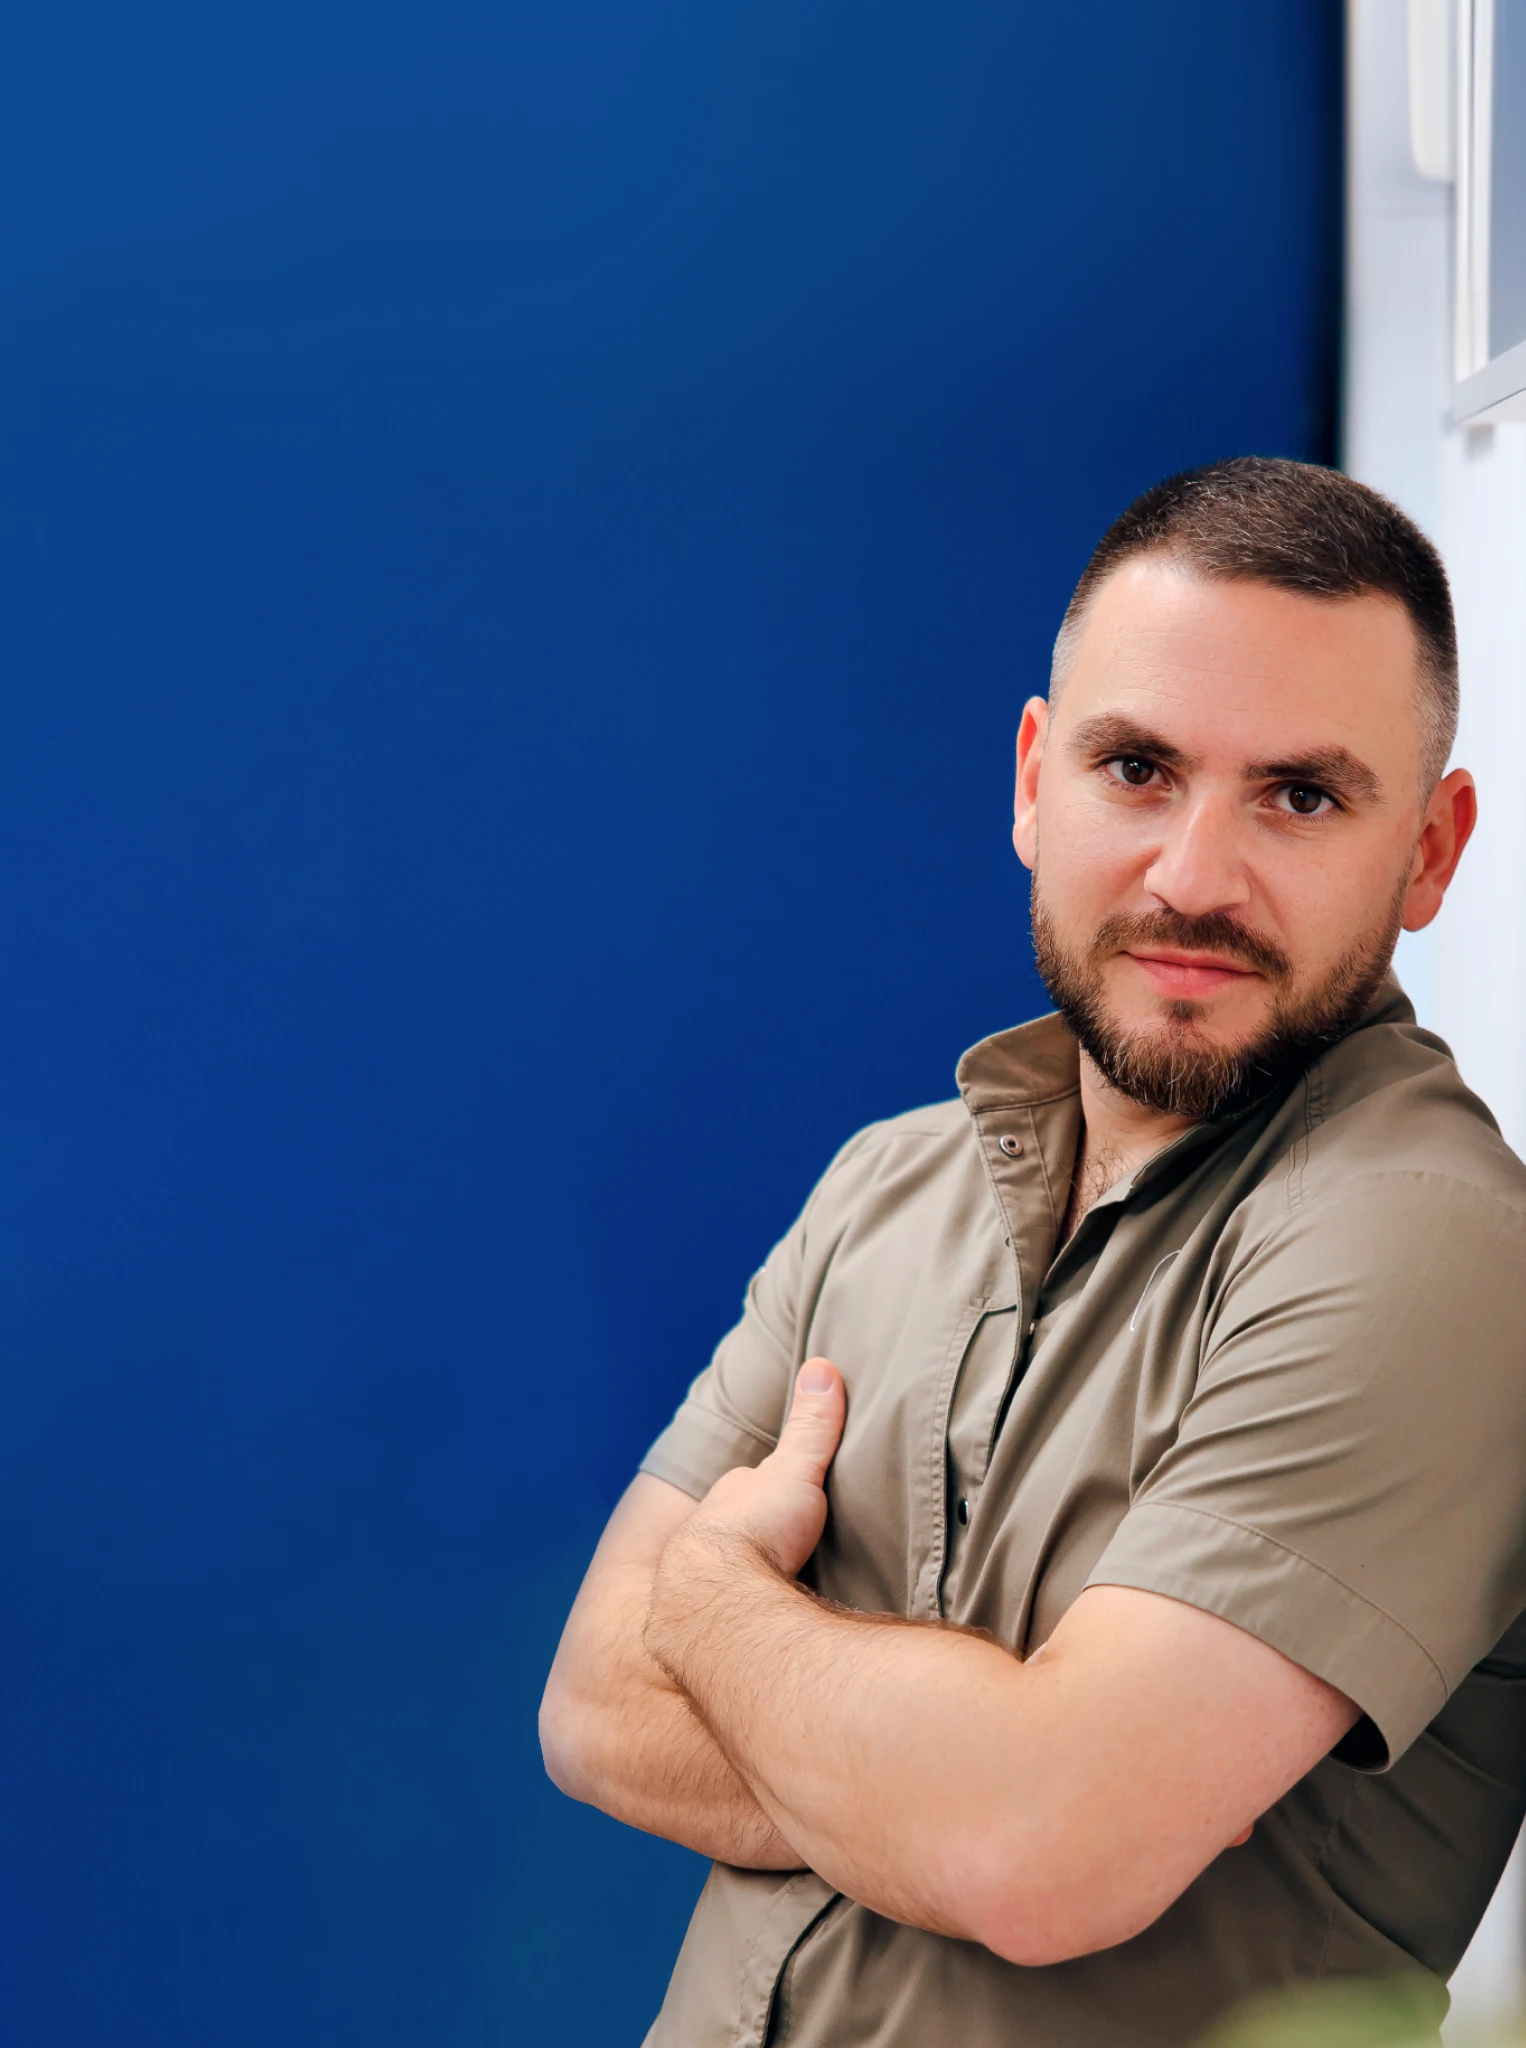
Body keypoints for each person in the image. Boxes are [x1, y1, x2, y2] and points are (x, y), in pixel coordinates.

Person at [539, 457, 1526, 2047]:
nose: (1192, 879)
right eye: (1135, 769)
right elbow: (590, 1706)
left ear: (1427, 848)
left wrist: (717, 1602)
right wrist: (949, 1779)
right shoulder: (889, 1181)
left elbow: (1029, 1850)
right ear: (1029, 782)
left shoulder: (1432, 1248)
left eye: (1298, 796)